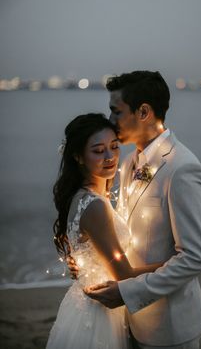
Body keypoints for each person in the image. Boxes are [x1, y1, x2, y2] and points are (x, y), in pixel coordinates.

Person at [79, 71, 201, 349]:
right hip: (130, 320)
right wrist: (91, 262)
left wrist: (128, 292)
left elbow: (195, 258)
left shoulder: (182, 169)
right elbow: (124, 236)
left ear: (143, 112)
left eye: (116, 111)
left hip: (170, 329)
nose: (111, 122)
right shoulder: (128, 163)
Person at [46, 113, 163, 349]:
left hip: (85, 303)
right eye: (98, 151)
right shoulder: (94, 205)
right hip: (99, 312)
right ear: (78, 156)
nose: (110, 157)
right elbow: (124, 273)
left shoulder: (91, 196)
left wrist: (155, 171)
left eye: (114, 147)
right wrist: (176, 263)